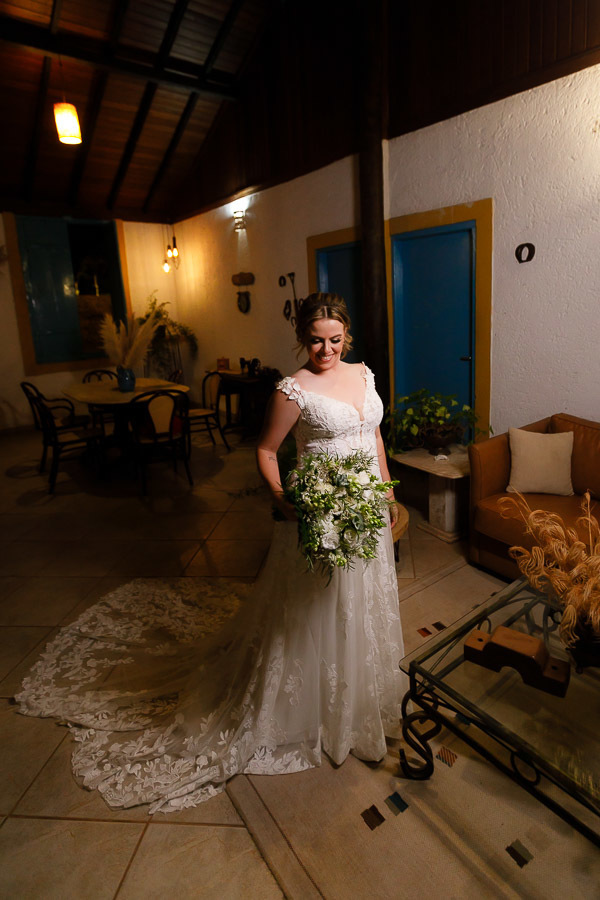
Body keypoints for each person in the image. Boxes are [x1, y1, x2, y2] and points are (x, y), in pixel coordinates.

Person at [15, 292, 406, 815]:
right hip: (318, 516)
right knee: (315, 609)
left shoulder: (363, 375)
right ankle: (314, 710)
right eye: (316, 340)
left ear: (347, 335)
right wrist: (284, 501)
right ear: (302, 337)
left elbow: (373, 436)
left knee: (359, 603)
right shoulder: (293, 389)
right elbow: (266, 450)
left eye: (335, 339)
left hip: (365, 510)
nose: (326, 350)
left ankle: (359, 701)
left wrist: (386, 492)